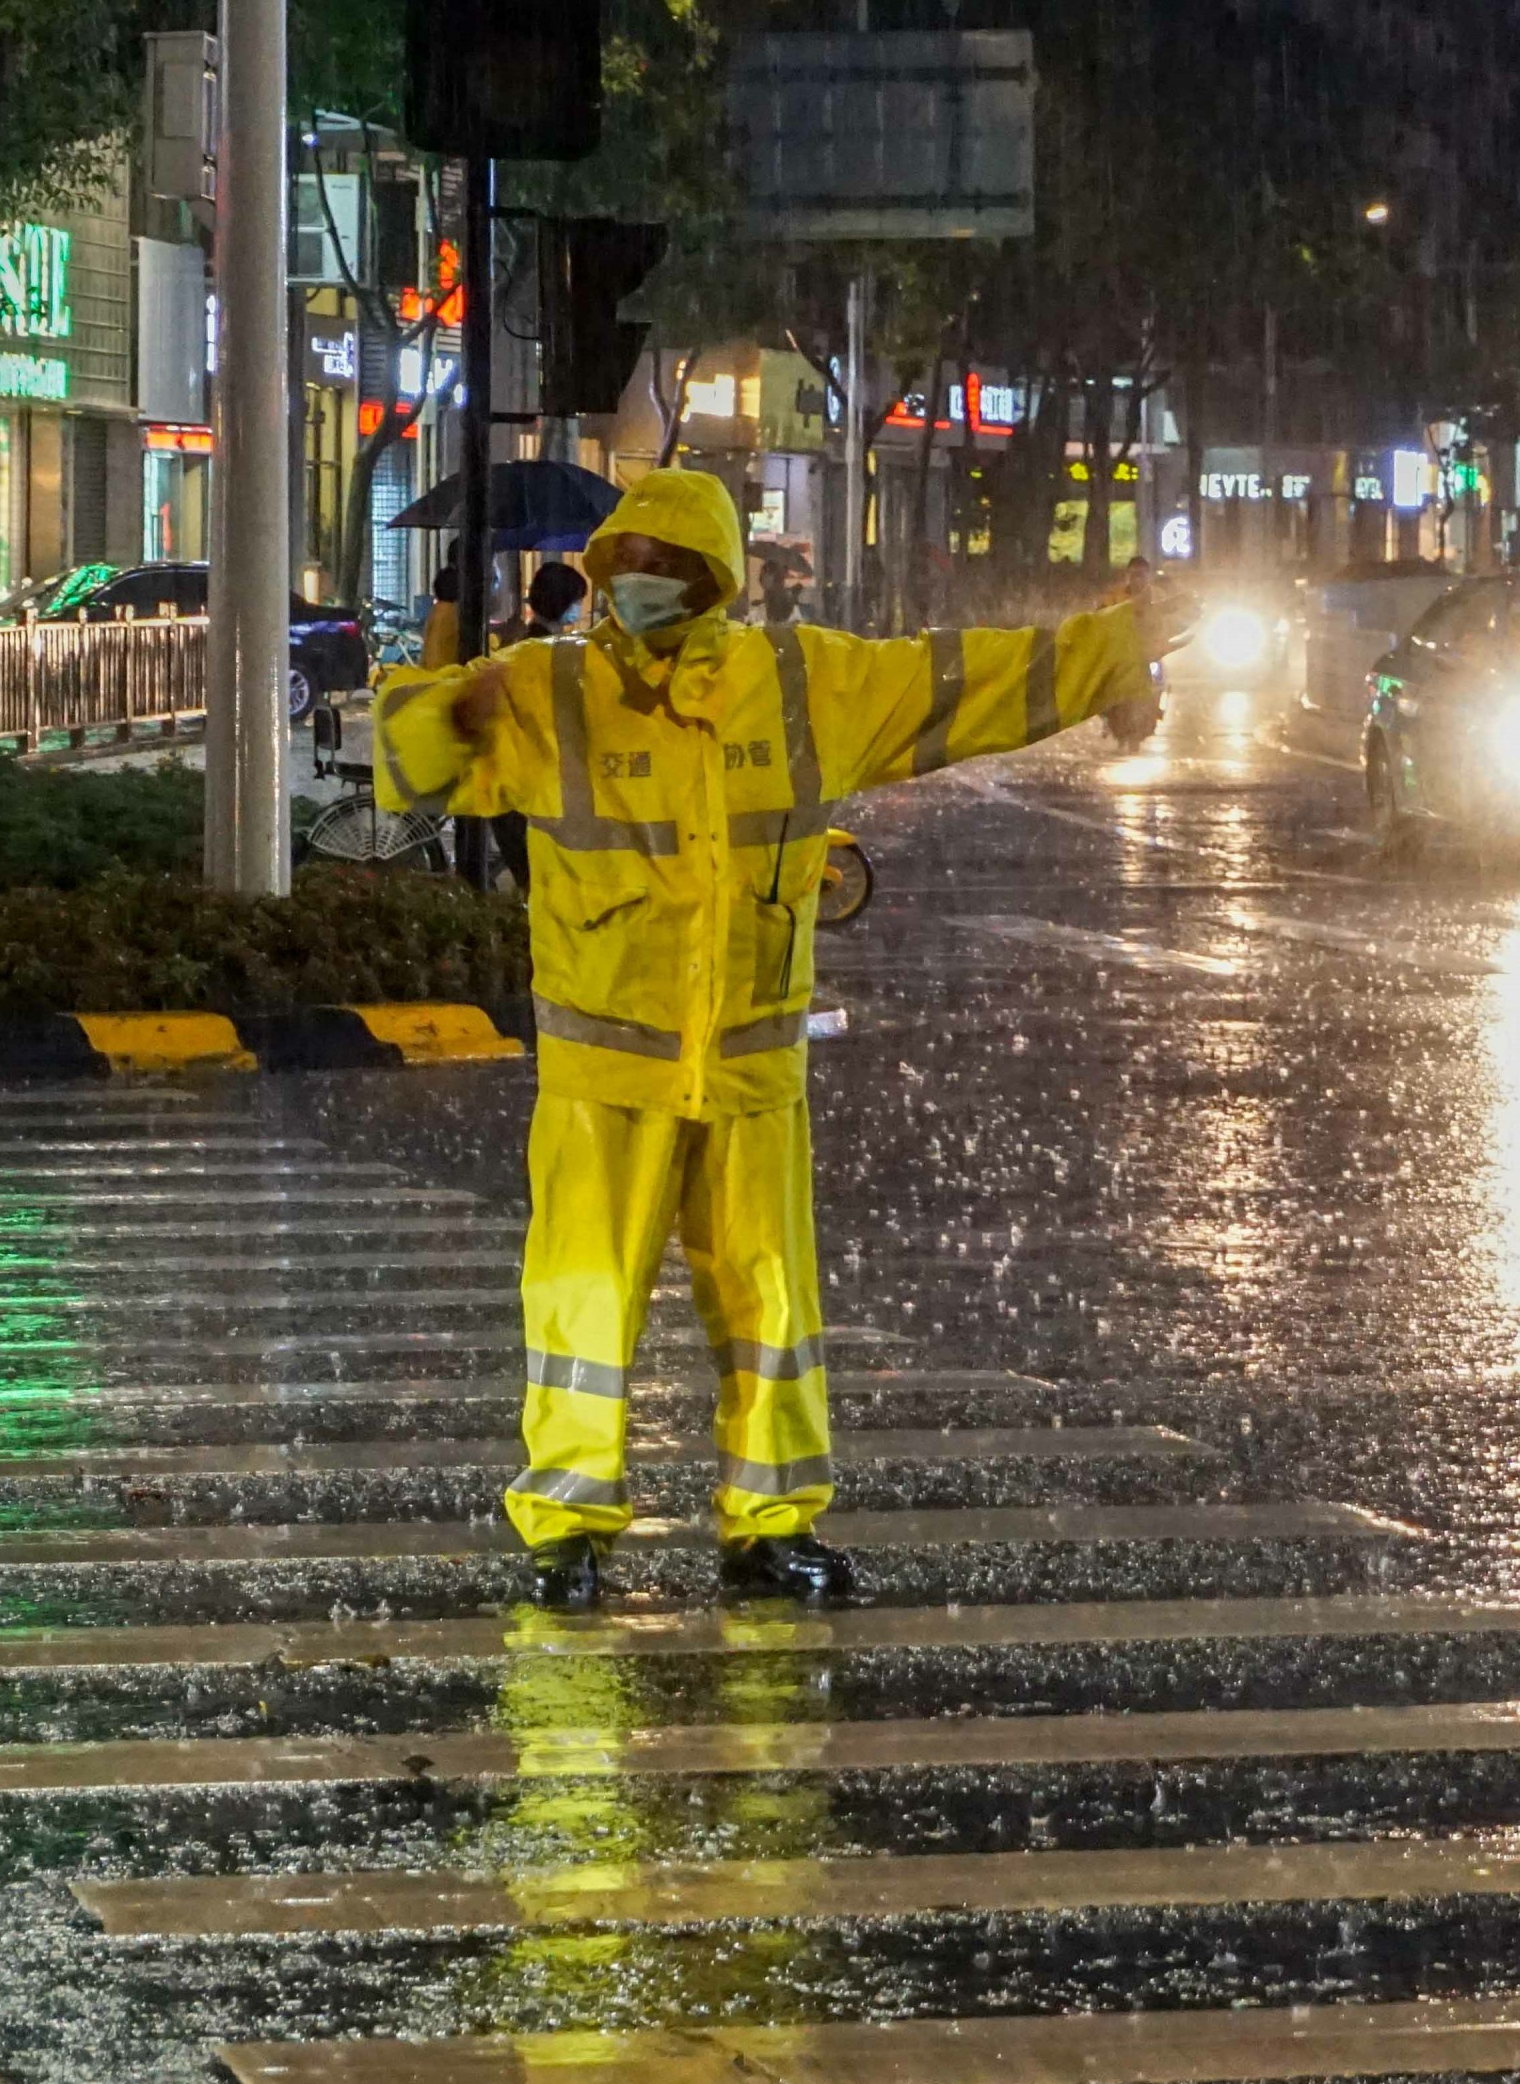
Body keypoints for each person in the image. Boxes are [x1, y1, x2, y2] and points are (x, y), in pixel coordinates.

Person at [377, 467, 1172, 1609]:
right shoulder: (551, 689)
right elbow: (406, 755)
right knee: (581, 1307)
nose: (644, 581)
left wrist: (1111, 648)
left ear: (715, 580)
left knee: (770, 1309)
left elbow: (961, 679)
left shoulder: (803, 682)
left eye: (668, 565)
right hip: (606, 1073)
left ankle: (769, 1526)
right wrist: (443, 703)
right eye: (627, 564)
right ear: (602, 574)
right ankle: (565, 1533)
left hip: (750, 1073)